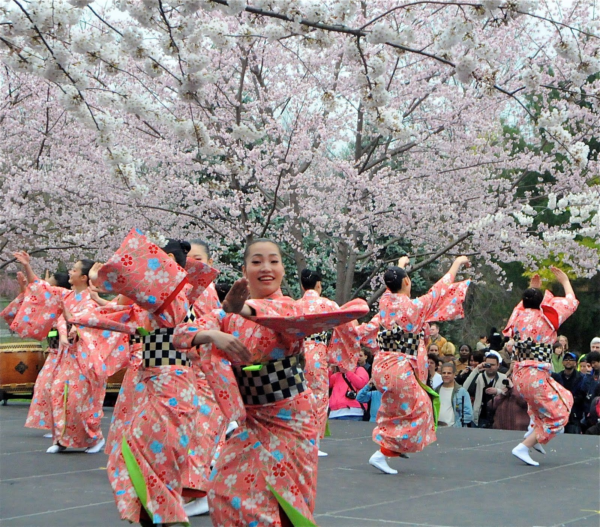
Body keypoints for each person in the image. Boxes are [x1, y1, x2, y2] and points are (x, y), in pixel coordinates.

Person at [173, 238, 368, 526]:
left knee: (287, 503)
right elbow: (181, 334)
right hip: (250, 418)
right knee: (223, 490)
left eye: (273, 261)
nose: (266, 267)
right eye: (257, 261)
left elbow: (282, 319)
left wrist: (242, 310)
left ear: (283, 270)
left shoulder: (290, 308)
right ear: (244, 269)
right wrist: (213, 334)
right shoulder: (224, 314)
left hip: (290, 416)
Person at [357, 255, 471, 475]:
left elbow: (394, 285)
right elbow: (439, 290)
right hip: (399, 368)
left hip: (381, 367)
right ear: (407, 282)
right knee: (422, 409)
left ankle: (394, 447)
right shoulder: (413, 307)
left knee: (395, 410)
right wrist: (456, 263)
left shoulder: (385, 302)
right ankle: (385, 452)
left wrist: (400, 267)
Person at [503, 268, 579, 466]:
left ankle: (534, 431)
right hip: (535, 375)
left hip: (520, 375)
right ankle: (526, 444)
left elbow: (521, 306)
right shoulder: (546, 319)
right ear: (541, 303)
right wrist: (565, 281)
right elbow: (571, 302)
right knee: (560, 415)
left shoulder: (518, 317)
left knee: (564, 398)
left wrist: (531, 290)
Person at [297, 268, 341, 455]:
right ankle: (313, 442)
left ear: (301, 285)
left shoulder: (295, 305)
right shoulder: (327, 304)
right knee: (319, 395)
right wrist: (335, 352)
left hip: (297, 352)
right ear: (318, 285)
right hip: (316, 351)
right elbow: (344, 325)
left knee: (298, 395)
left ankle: (299, 439)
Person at [463, 352, 507, 428]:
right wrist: (476, 370)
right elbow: (464, 388)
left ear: (498, 366)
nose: (490, 367)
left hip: (497, 417)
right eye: (488, 364)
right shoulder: (479, 376)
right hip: (480, 417)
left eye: (493, 365)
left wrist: (497, 391)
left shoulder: (503, 377)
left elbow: (508, 394)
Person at [551, 352, 584, 434]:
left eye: (571, 360)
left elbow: (581, 395)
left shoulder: (581, 377)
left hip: (575, 414)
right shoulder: (558, 377)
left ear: (575, 363)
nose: (568, 361)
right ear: (562, 362)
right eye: (566, 359)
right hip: (559, 413)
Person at [435, 362, 473, 427]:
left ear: (454, 374)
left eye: (449, 373)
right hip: (437, 427)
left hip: (454, 429)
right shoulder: (436, 390)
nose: (446, 375)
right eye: (444, 373)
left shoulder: (462, 391)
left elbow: (468, 414)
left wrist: (458, 425)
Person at [578, 351, 600, 431]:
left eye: (594, 363)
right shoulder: (588, 376)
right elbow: (583, 391)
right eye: (591, 364)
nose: (593, 365)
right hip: (589, 410)